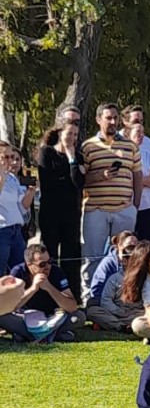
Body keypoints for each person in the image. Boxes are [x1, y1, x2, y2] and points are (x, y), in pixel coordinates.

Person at [80, 103, 143, 297]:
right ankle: (91, 296)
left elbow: (137, 176)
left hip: (124, 209)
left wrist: (135, 205)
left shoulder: (130, 145)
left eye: (116, 117)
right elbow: (80, 179)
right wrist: (101, 175)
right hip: (95, 209)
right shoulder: (88, 147)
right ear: (98, 120)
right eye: (108, 118)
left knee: (126, 255)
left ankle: (123, 293)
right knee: (93, 256)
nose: (113, 122)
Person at [37, 120, 85, 300]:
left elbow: (79, 182)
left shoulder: (77, 156)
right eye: (69, 133)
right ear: (59, 132)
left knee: (70, 254)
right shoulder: (46, 152)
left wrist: (72, 159)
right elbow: (47, 182)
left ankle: (71, 295)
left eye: (75, 134)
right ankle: (45, 295)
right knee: (48, 252)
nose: (72, 137)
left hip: (71, 213)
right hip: (50, 212)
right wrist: (70, 177)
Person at [1, 243, 83, 343]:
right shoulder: (18, 272)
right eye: (42, 264)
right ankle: (52, 335)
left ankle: (28, 336)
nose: (47, 267)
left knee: (79, 317)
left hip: (52, 318)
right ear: (29, 265)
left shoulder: (56, 271)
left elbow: (72, 307)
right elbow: (10, 306)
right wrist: (33, 289)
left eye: (49, 262)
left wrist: (49, 288)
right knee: (2, 316)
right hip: (25, 318)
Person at [86, 241, 144, 334]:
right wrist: (120, 312)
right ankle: (121, 326)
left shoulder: (145, 278)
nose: (138, 263)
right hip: (116, 312)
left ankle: (113, 325)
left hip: (136, 313)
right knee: (93, 311)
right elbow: (106, 300)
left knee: (149, 314)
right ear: (124, 261)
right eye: (134, 260)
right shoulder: (114, 278)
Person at [0, 141, 33, 275]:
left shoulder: (12, 178)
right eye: (6, 157)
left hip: (16, 230)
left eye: (12, 157)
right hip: (2, 231)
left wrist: (31, 191)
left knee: (20, 272)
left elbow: (22, 206)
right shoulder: (4, 176)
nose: (10, 161)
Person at [129, 121, 150, 244]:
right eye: (138, 132)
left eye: (143, 132)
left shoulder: (149, 155)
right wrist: (145, 181)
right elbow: (125, 180)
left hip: (148, 205)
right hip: (128, 205)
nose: (141, 135)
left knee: (149, 244)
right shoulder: (123, 154)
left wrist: (137, 181)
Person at [89, 230, 139, 305]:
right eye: (129, 245)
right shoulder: (108, 263)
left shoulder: (140, 260)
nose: (133, 248)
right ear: (119, 245)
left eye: (136, 244)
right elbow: (96, 290)